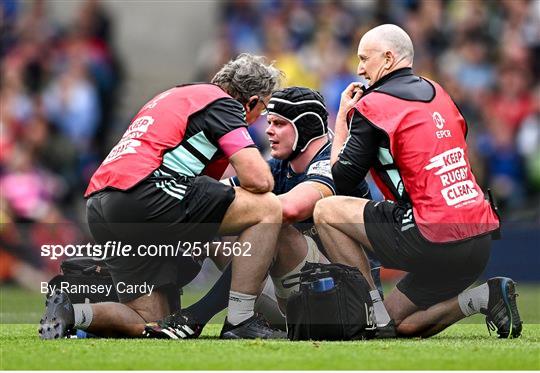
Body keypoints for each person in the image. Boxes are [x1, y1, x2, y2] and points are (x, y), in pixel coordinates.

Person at [39, 53, 287, 340]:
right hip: (147, 193)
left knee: (150, 319)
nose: (259, 121)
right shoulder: (223, 103)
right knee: (267, 207)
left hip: (101, 202)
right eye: (264, 111)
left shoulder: (178, 95)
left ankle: (71, 311)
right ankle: (240, 320)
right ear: (252, 100)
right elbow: (258, 180)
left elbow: (203, 189)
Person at [313, 24, 522, 338]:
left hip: (432, 236)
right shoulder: (440, 93)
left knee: (325, 211)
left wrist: (341, 119)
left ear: (387, 59)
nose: (359, 69)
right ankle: (484, 297)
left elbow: (341, 179)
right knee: (400, 324)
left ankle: (371, 311)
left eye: (363, 58)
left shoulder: (372, 106)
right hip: (478, 238)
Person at [142, 86, 387, 339]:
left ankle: (197, 317)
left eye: (279, 123)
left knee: (272, 222)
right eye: (268, 122)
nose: (268, 130)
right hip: (300, 298)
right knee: (218, 235)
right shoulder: (279, 166)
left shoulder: (332, 164)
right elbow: (218, 200)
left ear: (307, 127)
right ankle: (168, 301)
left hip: (345, 303)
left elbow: (291, 209)